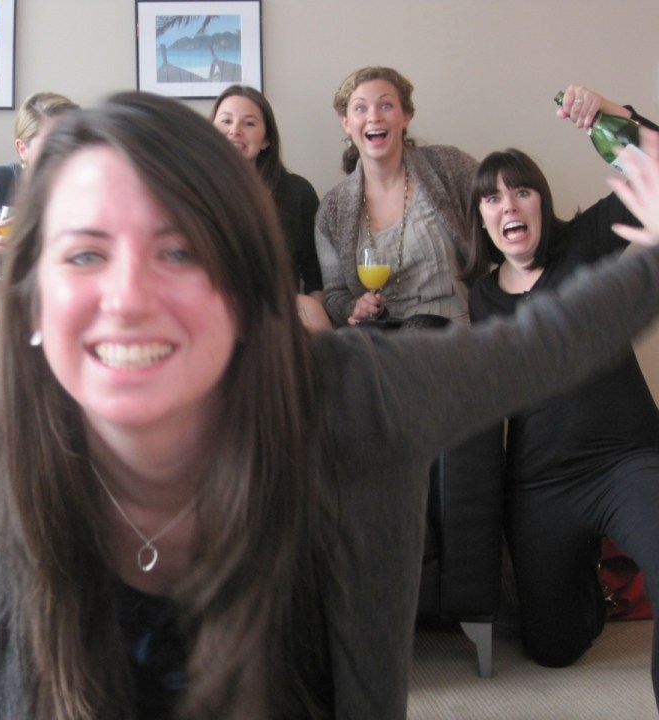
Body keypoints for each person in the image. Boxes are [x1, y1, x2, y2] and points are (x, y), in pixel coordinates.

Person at [0, 92, 659, 720]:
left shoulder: (350, 396)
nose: (129, 298)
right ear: (30, 300)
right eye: (85, 253)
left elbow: (546, 339)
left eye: (180, 251)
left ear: (245, 287)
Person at [461, 86, 659, 706]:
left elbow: (656, 168)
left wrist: (613, 114)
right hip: (542, 480)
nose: (508, 204)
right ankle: (596, 594)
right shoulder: (480, 297)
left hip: (627, 461)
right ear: (483, 220)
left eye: (521, 190)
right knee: (554, 648)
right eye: (492, 197)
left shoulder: (585, 243)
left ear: (542, 203)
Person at [316, 66, 479, 326]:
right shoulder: (332, 209)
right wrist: (354, 307)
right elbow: (335, 295)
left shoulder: (449, 167)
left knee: (420, 327)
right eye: (360, 108)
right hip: (382, 336)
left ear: (406, 116)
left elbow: (504, 209)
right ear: (346, 123)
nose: (374, 117)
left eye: (386, 105)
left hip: (452, 333)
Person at [210, 85, 323, 299]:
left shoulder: (298, 192)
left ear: (266, 140)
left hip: (279, 311)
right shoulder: (190, 192)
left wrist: (312, 311)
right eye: (226, 121)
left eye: (249, 123)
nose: (235, 130)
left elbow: (316, 277)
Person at [0, 91, 79, 267]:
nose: (63, 152)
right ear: (22, 149)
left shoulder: (88, 192)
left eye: (70, 141)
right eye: (50, 144)